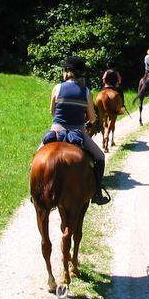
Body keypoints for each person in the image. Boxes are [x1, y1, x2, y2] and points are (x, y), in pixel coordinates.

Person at [49, 55, 110, 205]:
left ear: (69, 71)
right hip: (78, 132)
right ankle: (97, 193)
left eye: (64, 70)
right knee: (100, 157)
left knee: (36, 157)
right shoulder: (86, 92)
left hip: (57, 130)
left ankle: (35, 193)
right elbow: (92, 118)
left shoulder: (57, 88)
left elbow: (52, 112)